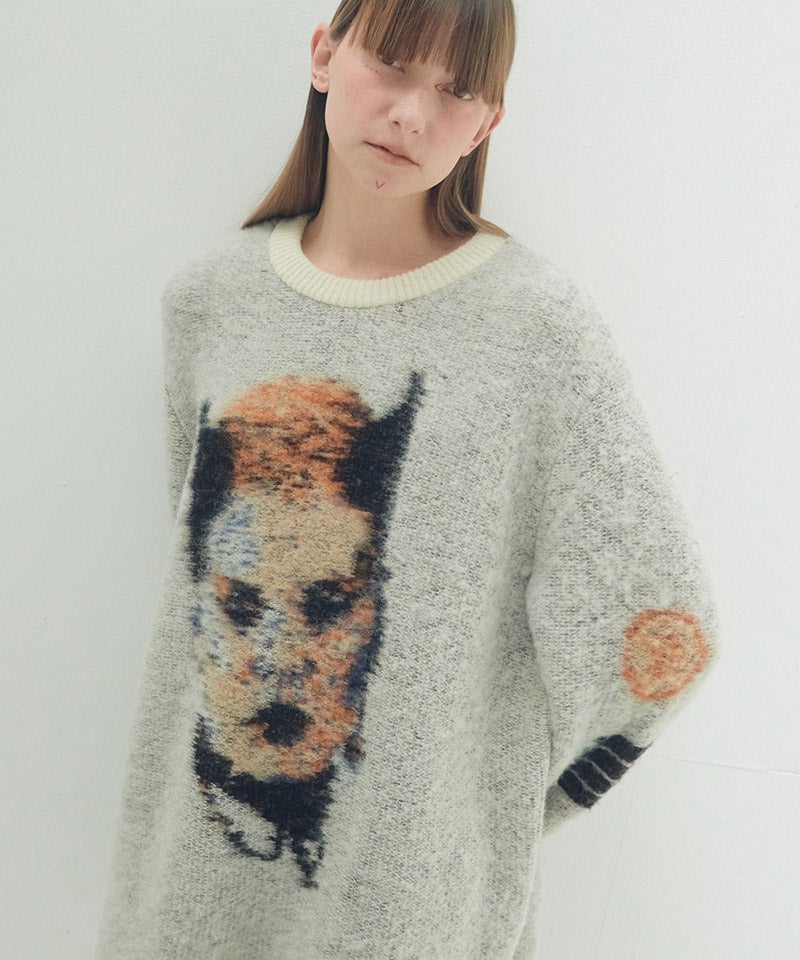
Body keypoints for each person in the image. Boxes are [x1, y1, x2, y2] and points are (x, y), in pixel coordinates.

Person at [94, 1, 719, 958]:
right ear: (324, 55)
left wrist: (487, 811)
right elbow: (196, 580)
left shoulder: (534, 331)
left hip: (404, 910)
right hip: (189, 887)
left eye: (457, 90)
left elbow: (662, 622)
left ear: (487, 123)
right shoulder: (209, 302)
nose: (411, 114)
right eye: (390, 62)